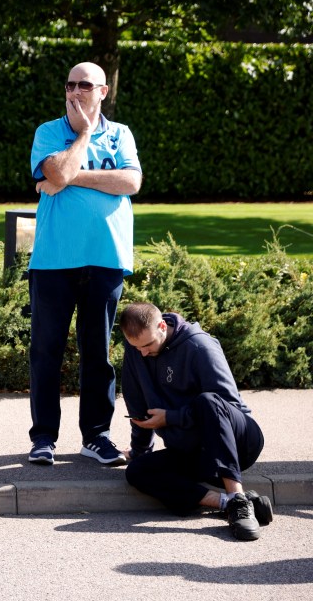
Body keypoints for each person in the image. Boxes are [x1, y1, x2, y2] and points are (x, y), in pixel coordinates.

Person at [27, 61, 142, 467]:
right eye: (70, 84)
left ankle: (96, 436)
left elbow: (131, 183)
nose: (76, 91)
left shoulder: (122, 134)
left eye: (85, 85)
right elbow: (53, 169)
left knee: (97, 353)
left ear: (103, 91)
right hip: (54, 260)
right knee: (46, 351)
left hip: (107, 258)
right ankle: (43, 438)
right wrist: (85, 136)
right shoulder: (48, 131)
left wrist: (68, 177)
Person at [119, 302, 273, 541]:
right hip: (195, 451)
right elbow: (138, 407)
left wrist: (171, 417)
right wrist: (139, 449)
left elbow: (224, 404)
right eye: (135, 347)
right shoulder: (137, 350)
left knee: (207, 401)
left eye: (148, 345)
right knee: (138, 471)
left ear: (162, 326)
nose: (143, 353)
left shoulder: (199, 345)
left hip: (238, 444)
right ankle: (227, 503)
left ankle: (237, 497)